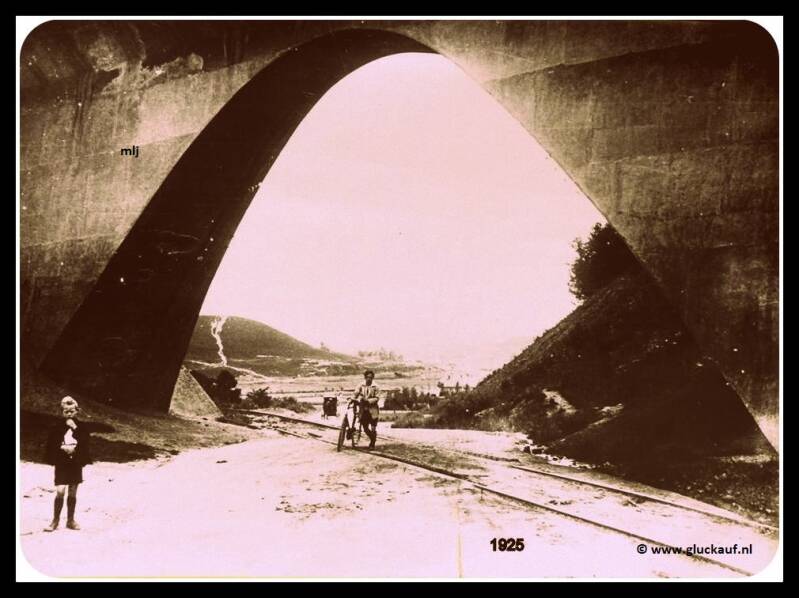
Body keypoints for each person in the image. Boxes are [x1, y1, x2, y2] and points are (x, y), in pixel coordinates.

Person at [43, 396, 93, 532]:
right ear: (62, 412)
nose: (69, 414)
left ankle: (70, 520)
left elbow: (85, 442)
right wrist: (61, 448)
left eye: (72, 411)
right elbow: (51, 444)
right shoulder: (57, 426)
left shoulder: (81, 427)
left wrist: (75, 428)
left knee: (72, 491)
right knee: (60, 491)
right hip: (62, 461)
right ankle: (55, 520)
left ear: (77, 411)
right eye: (66, 411)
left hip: (75, 461)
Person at [353, 370, 380, 449]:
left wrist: (368, 401)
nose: (369, 379)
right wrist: (353, 398)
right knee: (365, 428)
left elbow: (377, 398)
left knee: (373, 427)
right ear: (365, 377)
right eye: (367, 377)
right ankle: (373, 438)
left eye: (371, 377)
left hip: (373, 409)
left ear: (373, 378)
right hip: (364, 409)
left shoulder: (376, 387)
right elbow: (356, 393)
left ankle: (372, 443)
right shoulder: (361, 385)